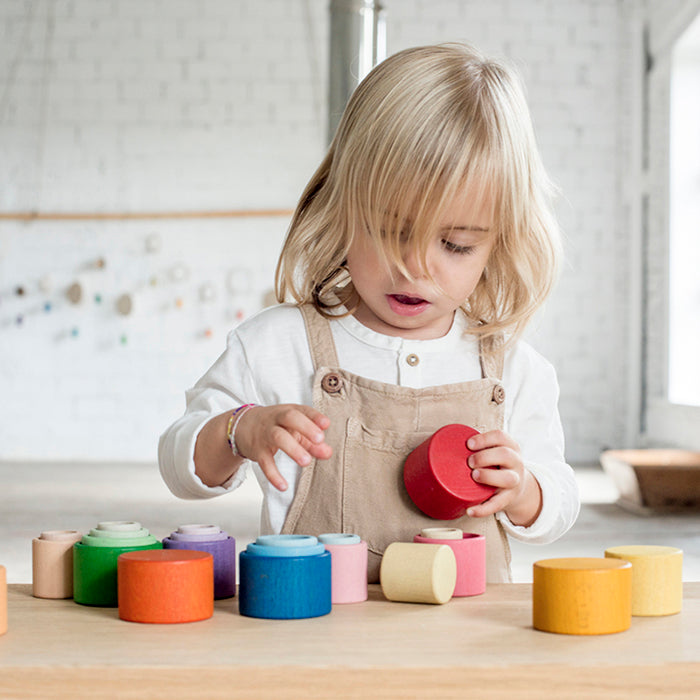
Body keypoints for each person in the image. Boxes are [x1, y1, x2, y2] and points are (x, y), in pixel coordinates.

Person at [159, 43, 580, 583]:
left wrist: (524, 491)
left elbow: (560, 504)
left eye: (454, 244)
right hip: (317, 632)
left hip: (464, 645)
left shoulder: (513, 371)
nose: (415, 269)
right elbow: (180, 467)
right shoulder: (276, 346)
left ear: (499, 242)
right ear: (343, 206)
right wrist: (238, 431)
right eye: (390, 231)